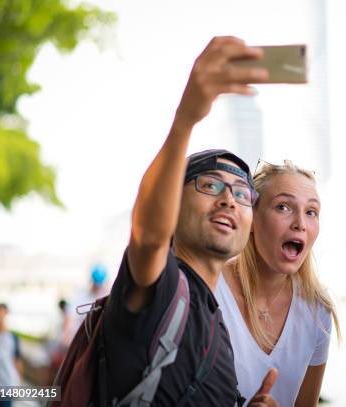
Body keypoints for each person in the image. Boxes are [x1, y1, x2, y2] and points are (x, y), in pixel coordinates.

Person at [98, 36, 277, 406]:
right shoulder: (162, 288)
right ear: (173, 205)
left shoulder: (215, 321)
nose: (229, 198)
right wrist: (186, 119)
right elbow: (148, 235)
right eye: (210, 185)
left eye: (242, 194)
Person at [216, 161, 340, 407]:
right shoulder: (208, 289)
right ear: (251, 218)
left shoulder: (317, 309)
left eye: (311, 212)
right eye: (283, 207)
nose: (300, 224)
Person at [0, 304, 23, 407]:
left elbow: (17, 360)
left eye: (2, 314)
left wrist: (19, 382)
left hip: (7, 384)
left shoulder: (13, 337)